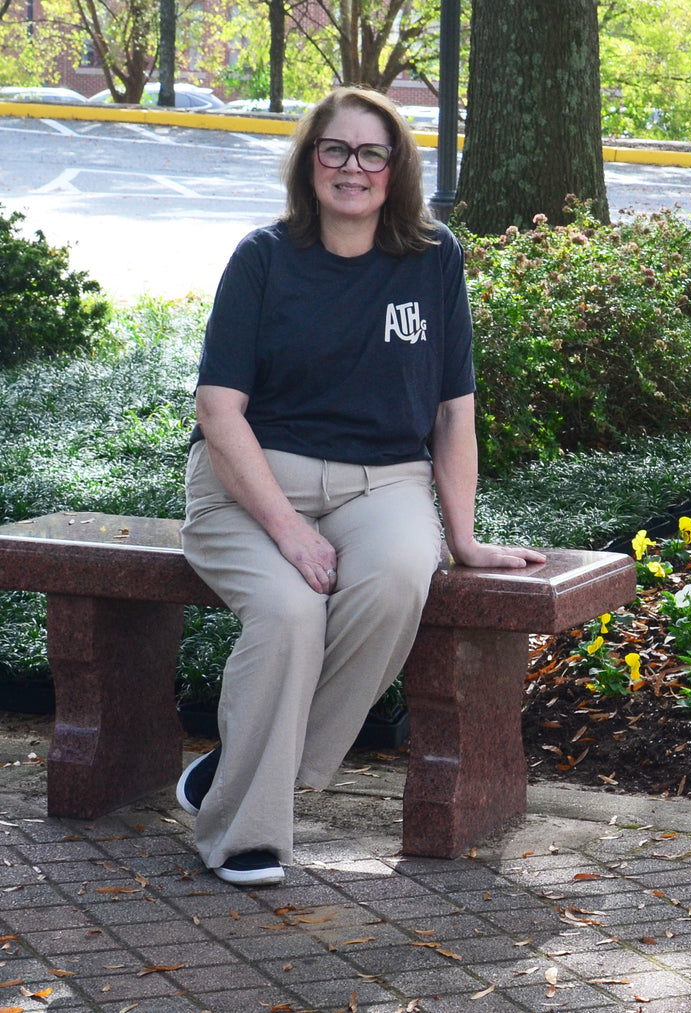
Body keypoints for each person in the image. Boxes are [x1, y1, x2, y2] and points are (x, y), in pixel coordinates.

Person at [176, 86, 545, 888]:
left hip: (384, 483)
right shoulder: (263, 258)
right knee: (288, 610)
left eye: (371, 152)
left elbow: (453, 410)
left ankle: (242, 766)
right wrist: (287, 530)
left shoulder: (432, 258)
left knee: (400, 579)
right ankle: (246, 834)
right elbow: (219, 408)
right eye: (335, 150)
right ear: (311, 162)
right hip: (249, 484)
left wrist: (466, 537)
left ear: (396, 168)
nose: (353, 168)